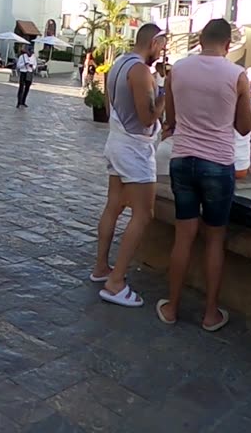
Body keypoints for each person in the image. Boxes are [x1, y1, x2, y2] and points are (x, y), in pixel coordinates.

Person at [156, 19, 251, 330]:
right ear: (227, 44)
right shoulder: (237, 75)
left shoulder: (178, 70)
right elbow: (245, 127)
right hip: (218, 164)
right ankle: (210, 313)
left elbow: (171, 118)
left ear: (199, 39)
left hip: (182, 159)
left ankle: (171, 306)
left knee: (183, 237)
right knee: (214, 240)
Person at [93, 24, 167, 307]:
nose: (162, 51)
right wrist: (164, 95)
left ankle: (101, 268)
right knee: (143, 213)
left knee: (114, 204)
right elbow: (148, 117)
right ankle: (116, 282)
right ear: (154, 41)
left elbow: (113, 105)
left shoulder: (118, 64)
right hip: (134, 148)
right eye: (161, 45)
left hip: (116, 139)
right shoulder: (140, 71)